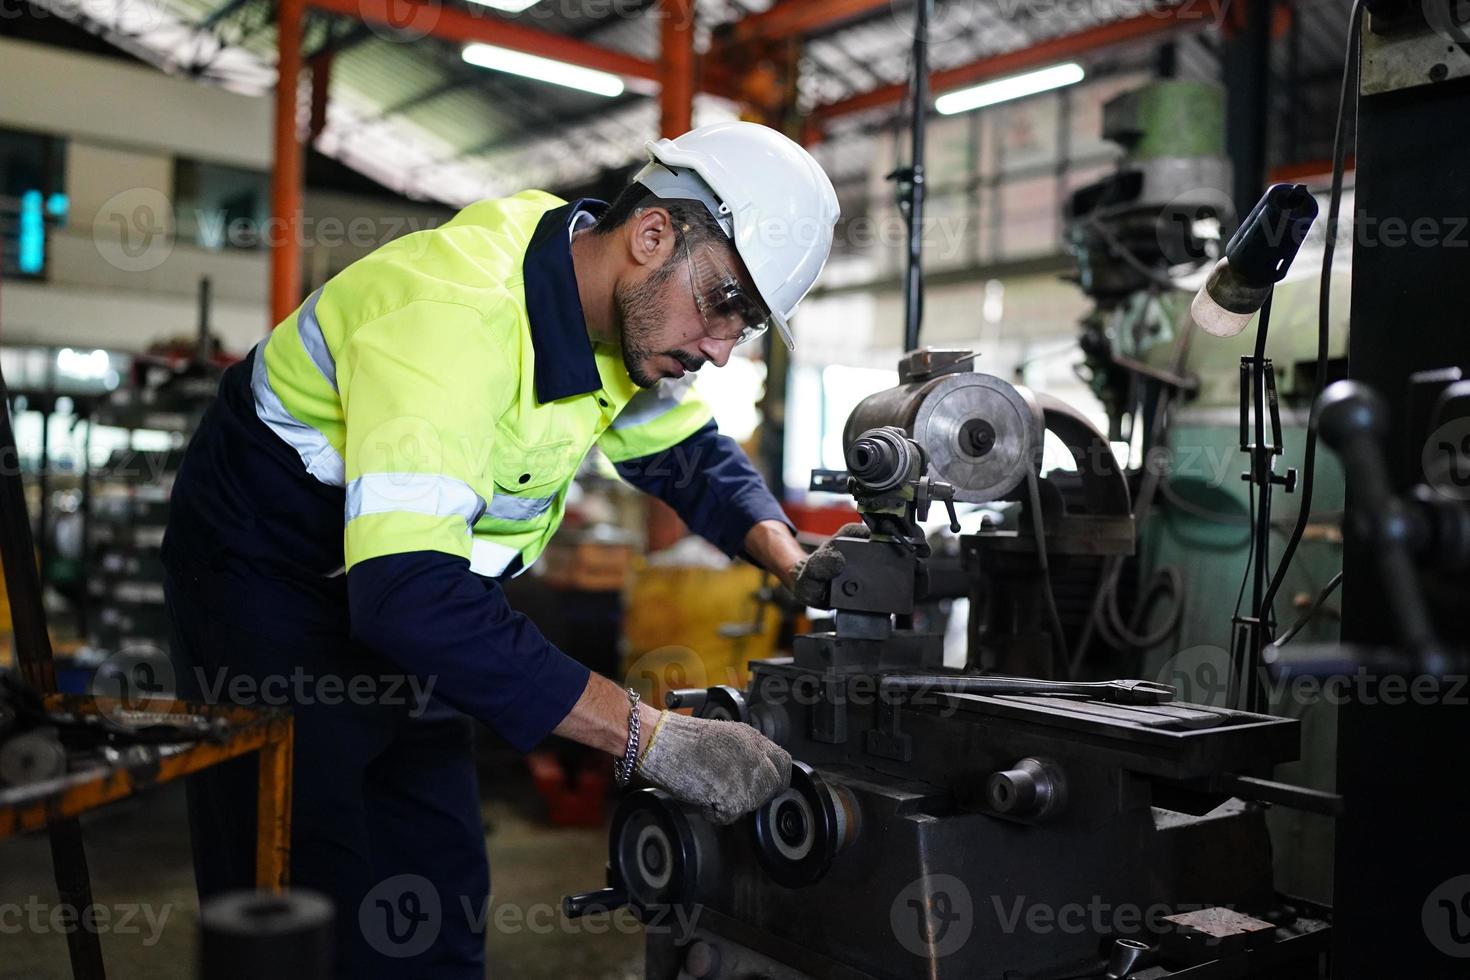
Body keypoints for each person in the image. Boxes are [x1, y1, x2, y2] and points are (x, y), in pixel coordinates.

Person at [161, 121, 845, 976]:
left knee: (434, 885)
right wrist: (649, 739)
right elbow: (408, 597)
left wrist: (796, 560)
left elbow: (688, 455)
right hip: (267, 578)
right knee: (308, 883)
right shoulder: (455, 321)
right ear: (653, 233)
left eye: (742, 325)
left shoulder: (615, 311)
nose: (718, 348)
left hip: (421, 595)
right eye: (725, 304)